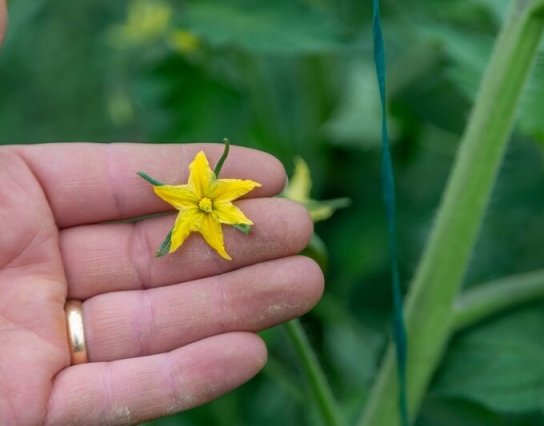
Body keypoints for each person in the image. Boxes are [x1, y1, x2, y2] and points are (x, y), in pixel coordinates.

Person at [0, 2, 324, 424]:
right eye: (203, 201)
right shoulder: (191, 201)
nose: (205, 203)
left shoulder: (211, 198)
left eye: (208, 202)